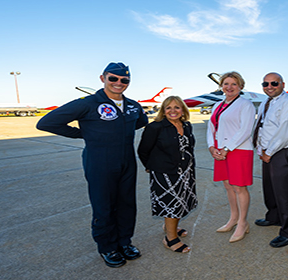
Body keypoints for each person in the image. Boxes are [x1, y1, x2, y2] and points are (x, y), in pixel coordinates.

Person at [36, 62, 147, 268]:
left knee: (127, 205)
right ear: (102, 78)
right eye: (113, 78)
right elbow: (46, 123)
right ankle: (107, 247)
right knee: (103, 206)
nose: (118, 83)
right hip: (99, 163)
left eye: (124, 80)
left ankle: (124, 242)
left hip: (127, 162)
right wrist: (83, 133)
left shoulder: (133, 105)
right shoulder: (87, 103)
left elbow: (141, 121)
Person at [137, 96, 197, 253]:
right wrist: (150, 167)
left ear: (183, 110)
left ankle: (170, 227)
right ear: (163, 110)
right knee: (171, 204)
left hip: (185, 172)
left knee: (181, 202)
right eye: (168, 108)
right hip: (165, 173)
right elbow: (143, 150)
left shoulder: (187, 125)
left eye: (177, 107)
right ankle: (170, 239)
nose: (173, 111)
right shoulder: (155, 127)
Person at [253, 72, 288, 247]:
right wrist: (261, 149)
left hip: (284, 151)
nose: (269, 87)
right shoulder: (266, 103)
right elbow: (261, 126)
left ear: (282, 84)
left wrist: (270, 151)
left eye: (274, 83)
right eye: (265, 84)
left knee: (285, 193)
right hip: (268, 151)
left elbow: (287, 131)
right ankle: (274, 216)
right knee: (270, 189)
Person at [206, 71, 256, 243]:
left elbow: (245, 130)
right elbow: (211, 127)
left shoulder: (245, 104)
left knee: (239, 187)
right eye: (226, 84)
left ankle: (243, 223)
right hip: (221, 150)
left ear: (240, 86)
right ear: (221, 86)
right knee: (228, 186)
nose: (229, 87)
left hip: (239, 150)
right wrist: (211, 146)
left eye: (234, 84)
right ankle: (233, 218)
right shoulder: (217, 105)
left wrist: (227, 148)